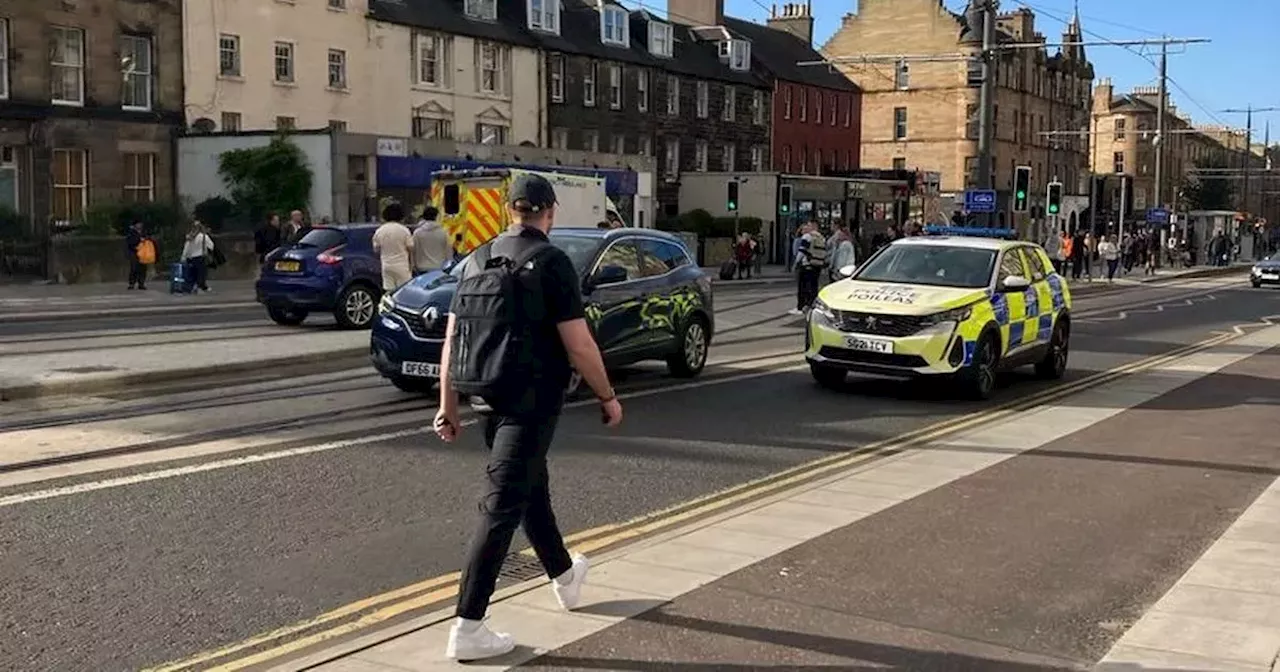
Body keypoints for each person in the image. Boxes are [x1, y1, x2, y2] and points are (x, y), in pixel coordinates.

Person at [434, 173, 623, 661]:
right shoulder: (552, 262)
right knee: (499, 509)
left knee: (530, 493)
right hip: (531, 401)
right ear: (550, 212)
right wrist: (607, 396)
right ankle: (468, 626)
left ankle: (564, 576)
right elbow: (579, 343)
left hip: (485, 395)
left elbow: (454, 340)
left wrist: (447, 406)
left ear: (508, 210)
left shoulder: (477, 257)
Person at [372, 202, 414, 291]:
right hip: (402, 266)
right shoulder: (404, 230)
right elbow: (410, 248)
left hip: (386, 265)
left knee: (389, 291)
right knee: (404, 291)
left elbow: (376, 249)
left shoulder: (380, 231)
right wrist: (412, 265)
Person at [790, 222, 826, 315]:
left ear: (813, 227)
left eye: (809, 225)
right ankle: (812, 306)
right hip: (817, 264)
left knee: (803, 287)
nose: (806, 227)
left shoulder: (807, 237)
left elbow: (802, 251)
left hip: (807, 264)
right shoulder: (821, 237)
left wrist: (796, 263)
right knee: (813, 287)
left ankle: (801, 307)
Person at [411, 206, 451, 274]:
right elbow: (448, 251)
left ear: (424, 217)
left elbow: (413, 251)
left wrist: (413, 265)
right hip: (438, 267)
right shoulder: (443, 232)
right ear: (436, 216)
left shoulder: (417, 233)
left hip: (421, 269)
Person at [181, 221, 215, 293]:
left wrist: (183, 257)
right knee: (201, 273)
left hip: (190, 258)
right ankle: (201, 286)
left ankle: (193, 286)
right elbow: (211, 246)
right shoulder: (204, 237)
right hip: (200, 257)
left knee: (192, 273)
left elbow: (186, 248)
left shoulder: (190, 237)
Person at [125, 221, 150, 290]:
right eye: (138, 224)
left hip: (143, 252)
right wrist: (138, 240)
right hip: (134, 252)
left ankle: (141, 283)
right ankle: (132, 283)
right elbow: (129, 242)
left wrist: (145, 240)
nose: (140, 225)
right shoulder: (131, 232)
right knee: (134, 268)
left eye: (141, 224)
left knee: (143, 268)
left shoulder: (144, 232)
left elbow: (148, 239)